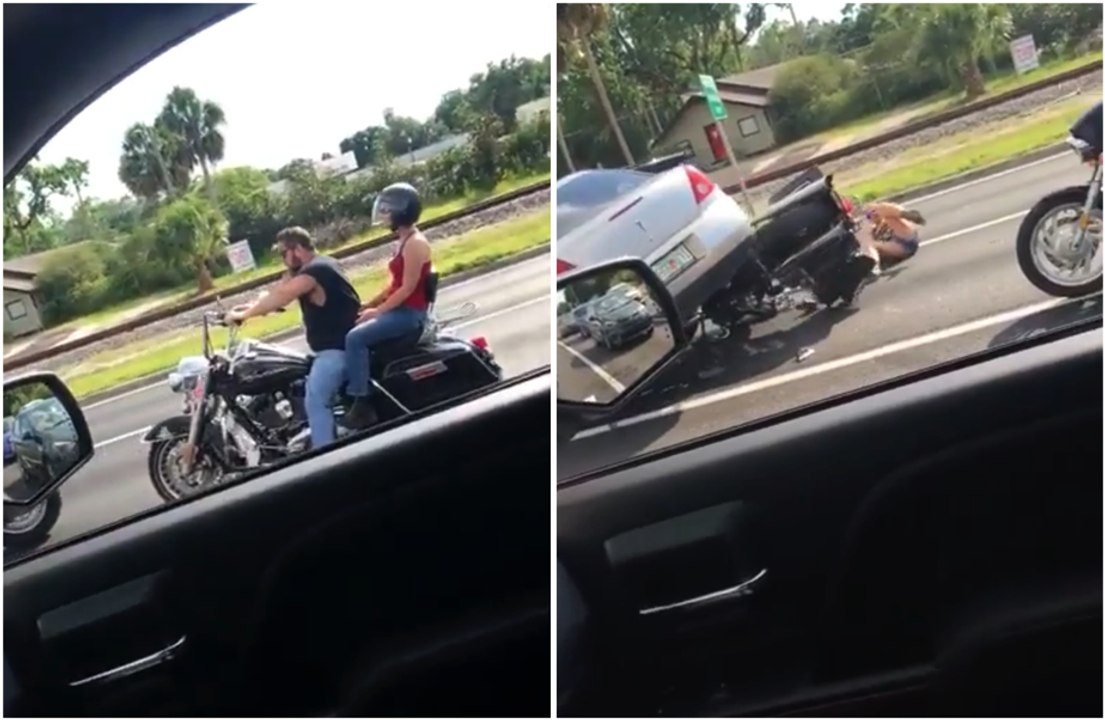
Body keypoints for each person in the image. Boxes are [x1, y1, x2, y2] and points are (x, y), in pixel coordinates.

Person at [225, 227, 361, 449]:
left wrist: (243, 315)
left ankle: (325, 457)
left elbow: (281, 296)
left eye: (282, 254)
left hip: (336, 350)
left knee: (315, 401)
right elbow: (277, 295)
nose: (282, 260)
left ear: (297, 249)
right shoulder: (322, 263)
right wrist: (246, 308)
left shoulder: (313, 272)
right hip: (337, 347)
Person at [341, 183, 433, 429]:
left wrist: (376, 312)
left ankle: (362, 404)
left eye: (386, 210)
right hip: (402, 309)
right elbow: (395, 284)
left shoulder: (415, 243)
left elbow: (407, 288)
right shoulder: (404, 240)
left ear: (401, 211)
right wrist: (369, 303)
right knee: (355, 327)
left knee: (355, 339)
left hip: (410, 315)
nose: (382, 215)